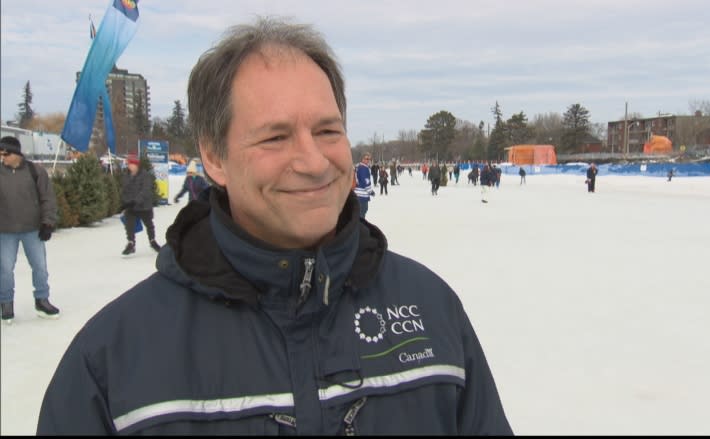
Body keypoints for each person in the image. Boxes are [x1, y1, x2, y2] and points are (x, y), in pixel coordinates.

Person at [37, 17, 511, 436]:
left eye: (327, 130)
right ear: (215, 158)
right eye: (275, 137)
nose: (313, 161)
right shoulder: (115, 360)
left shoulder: (432, 309)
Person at [0, 136, 60, 323]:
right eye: (0, 154)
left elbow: (47, 198)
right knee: (5, 269)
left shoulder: (36, 171)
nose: (3, 158)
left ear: (16, 153)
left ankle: (42, 300)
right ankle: (6, 303)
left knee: (40, 267)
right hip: (5, 230)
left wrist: (48, 223)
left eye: (6, 154)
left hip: (32, 229)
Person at [119, 154, 161, 255]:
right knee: (129, 225)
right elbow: (124, 190)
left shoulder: (145, 175)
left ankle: (152, 241)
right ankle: (131, 243)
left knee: (149, 224)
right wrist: (125, 202)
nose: (130, 166)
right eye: (129, 164)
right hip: (131, 206)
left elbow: (145, 190)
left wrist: (135, 201)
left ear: (137, 165)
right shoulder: (126, 176)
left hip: (144, 206)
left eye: (132, 164)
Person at [354, 153, 374, 218]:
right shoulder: (364, 168)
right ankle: (359, 227)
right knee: (362, 213)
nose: (368, 160)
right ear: (362, 159)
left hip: (357, 194)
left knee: (359, 213)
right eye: (366, 159)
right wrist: (370, 191)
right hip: (362, 195)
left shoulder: (359, 167)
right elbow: (365, 181)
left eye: (369, 159)